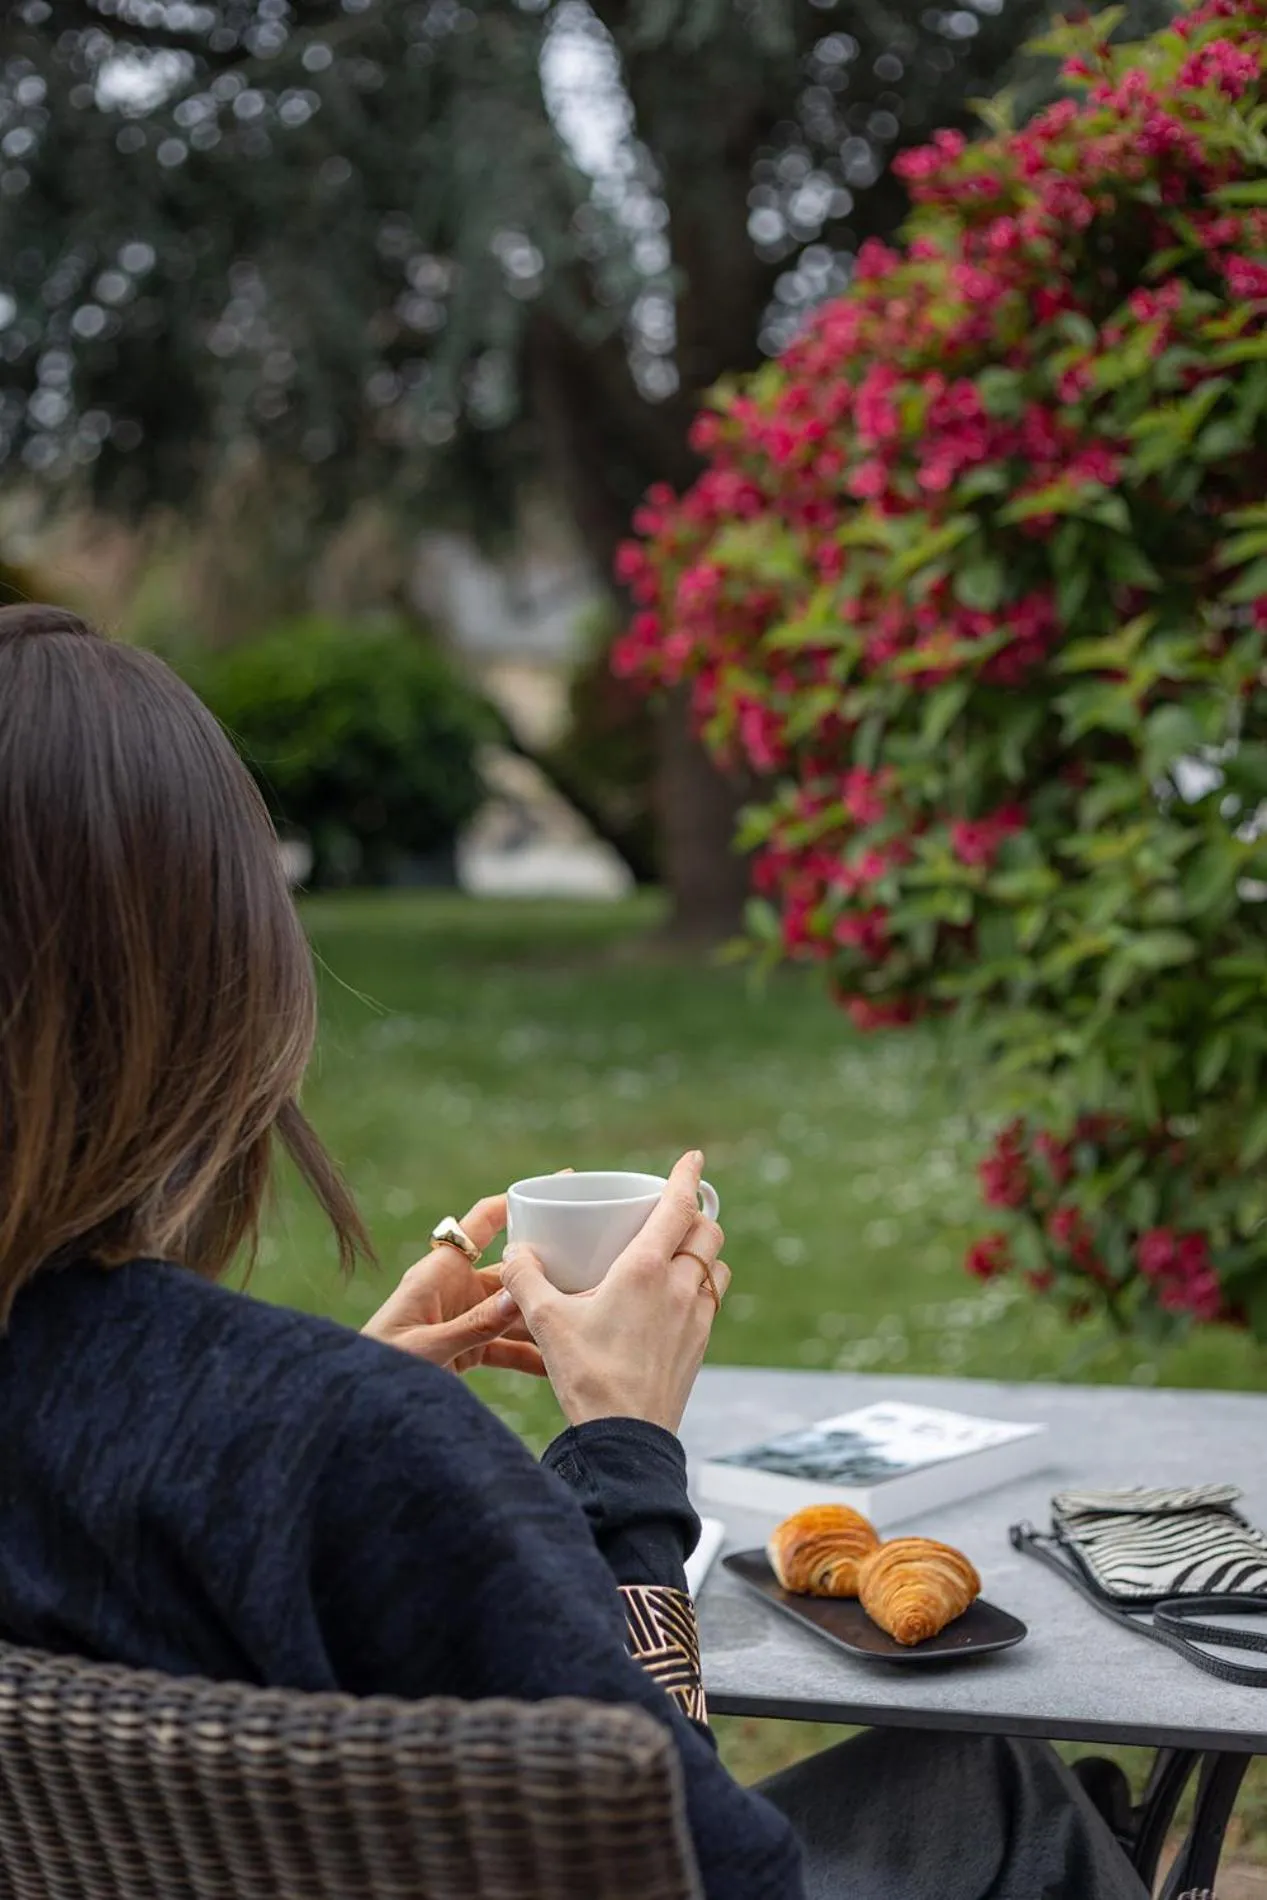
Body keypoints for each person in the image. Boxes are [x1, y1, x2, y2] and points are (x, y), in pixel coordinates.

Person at [0, 603, 1147, 1900]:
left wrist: (281, 1432)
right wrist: (624, 1449)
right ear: (223, 979)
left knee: (980, 1786)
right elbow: (689, 1861)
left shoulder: (294, 1441)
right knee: (1025, 1807)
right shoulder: (364, 1453)